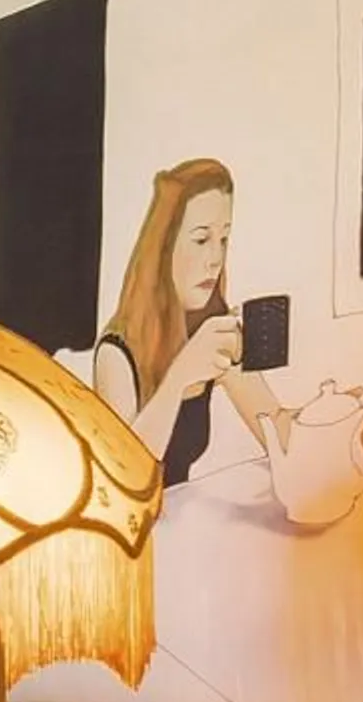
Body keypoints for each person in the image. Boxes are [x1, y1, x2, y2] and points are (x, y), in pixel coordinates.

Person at [95, 156, 277, 485]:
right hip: (139, 516)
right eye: (202, 239)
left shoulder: (212, 330)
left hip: (184, 514)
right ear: (164, 248)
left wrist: (340, 425)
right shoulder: (117, 352)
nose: (216, 259)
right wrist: (179, 376)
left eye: (224, 239)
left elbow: (276, 431)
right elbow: (125, 480)